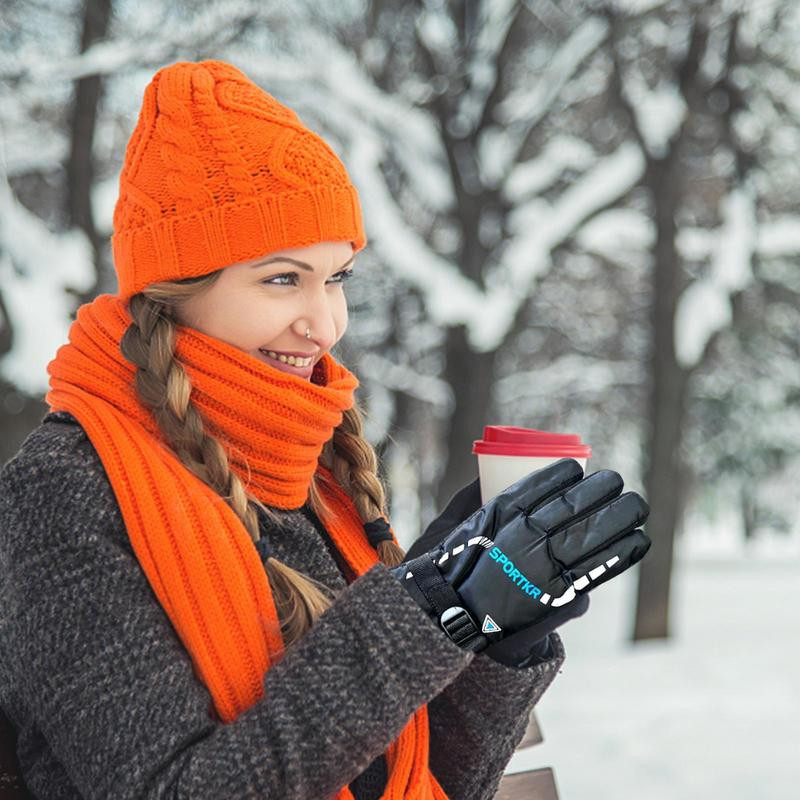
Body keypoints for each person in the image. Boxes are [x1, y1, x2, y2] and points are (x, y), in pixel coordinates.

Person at [0, 60, 649, 800]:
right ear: (174, 291)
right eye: (283, 278)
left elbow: (411, 778)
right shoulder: (67, 489)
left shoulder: (308, 476)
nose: (326, 324)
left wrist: (494, 633)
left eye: (336, 277)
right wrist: (432, 611)